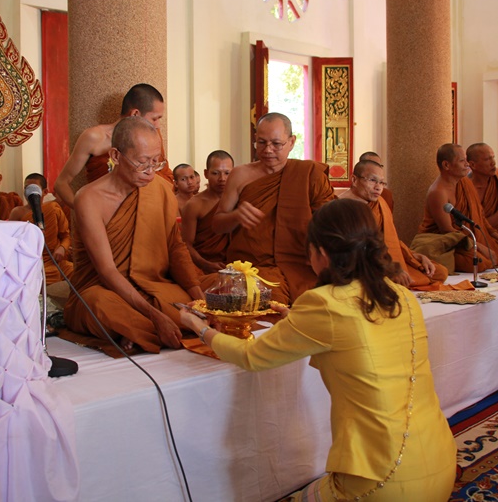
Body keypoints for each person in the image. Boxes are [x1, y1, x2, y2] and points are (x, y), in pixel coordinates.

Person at [180, 199, 457, 502]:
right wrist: (295, 320)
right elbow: (355, 341)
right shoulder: (401, 294)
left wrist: (200, 329)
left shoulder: (324, 302)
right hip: (442, 458)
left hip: (383, 480)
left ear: (322, 253)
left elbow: (251, 357)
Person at [62, 116, 202, 357]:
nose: (150, 172)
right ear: (115, 156)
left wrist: (200, 299)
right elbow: (107, 272)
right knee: (99, 304)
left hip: (151, 286)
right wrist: (154, 314)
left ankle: (137, 332)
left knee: (205, 294)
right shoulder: (89, 199)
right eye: (142, 163)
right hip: (103, 290)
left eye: (156, 162)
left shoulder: (160, 189)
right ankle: (160, 326)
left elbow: (175, 247)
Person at [210, 113, 336, 304]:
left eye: (276, 144)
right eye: (261, 142)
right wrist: (236, 216)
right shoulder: (240, 175)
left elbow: (333, 224)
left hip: (300, 266)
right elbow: (217, 225)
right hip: (252, 268)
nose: (268, 150)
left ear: (292, 142)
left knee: (320, 305)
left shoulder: (309, 175)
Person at [53, 83, 173, 208]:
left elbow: (164, 178)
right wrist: (83, 211)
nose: (158, 125)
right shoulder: (95, 137)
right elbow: (61, 183)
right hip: (105, 215)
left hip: (148, 213)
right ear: (135, 114)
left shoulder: (153, 139)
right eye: (155, 119)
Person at [340, 160, 447, 287]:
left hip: (383, 257)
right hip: (361, 262)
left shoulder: (378, 203)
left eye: (381, 182)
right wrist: (388, 267)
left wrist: (414, 257)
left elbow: (390, 241)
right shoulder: (341, 206)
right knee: (393, 280)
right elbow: (353, 249)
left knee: (439, 272)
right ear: (354, 180)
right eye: (372, 180)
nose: (378, 187)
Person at [415, 143, 498, 273]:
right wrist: (479, 247)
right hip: (445, 243)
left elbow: (480, 217)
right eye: (462, 161)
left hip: (466, 238)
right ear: (446, 165)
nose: (467, 164)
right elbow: (447, 230)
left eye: (466, 160)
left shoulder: (465, 183)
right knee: (480, 262)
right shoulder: (438, 192)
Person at [8, 173, 74, 285]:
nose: (30, 192)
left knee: (79, 273)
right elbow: (10, 242)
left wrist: (62, 248)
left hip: (54, 261)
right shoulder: (17, 212)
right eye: (26, 188)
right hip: (29, 264)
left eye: (34, 188)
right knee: (29, 278)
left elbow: (66, 236)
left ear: (45, 192)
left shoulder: (53, 209)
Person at [181, 150, 234, 274]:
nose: (222, 179)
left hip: (233, 267)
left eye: (227, 173)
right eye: (215, 173)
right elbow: (186, 245)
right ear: (206, 173)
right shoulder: (194, 205)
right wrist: (206, 265)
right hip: (202, 267)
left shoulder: (238, 200)